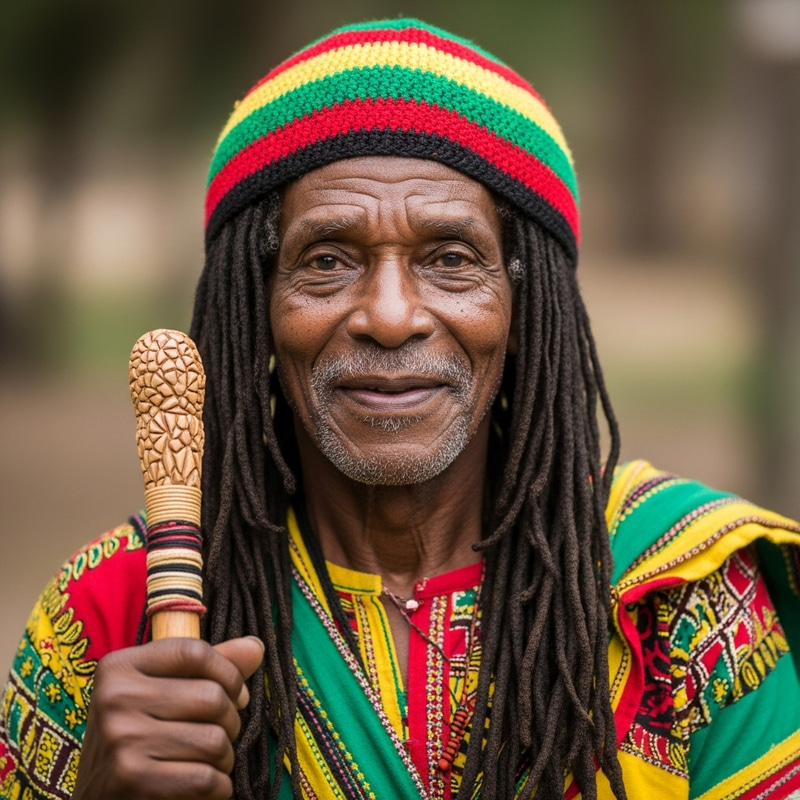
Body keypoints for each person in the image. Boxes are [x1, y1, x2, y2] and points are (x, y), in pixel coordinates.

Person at [2, 18, 799, 800]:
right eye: (327, 260)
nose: (389, 315)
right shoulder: (113, 609)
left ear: (525, 308)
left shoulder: (679, 597)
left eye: (451, 260)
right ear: (258, 306)